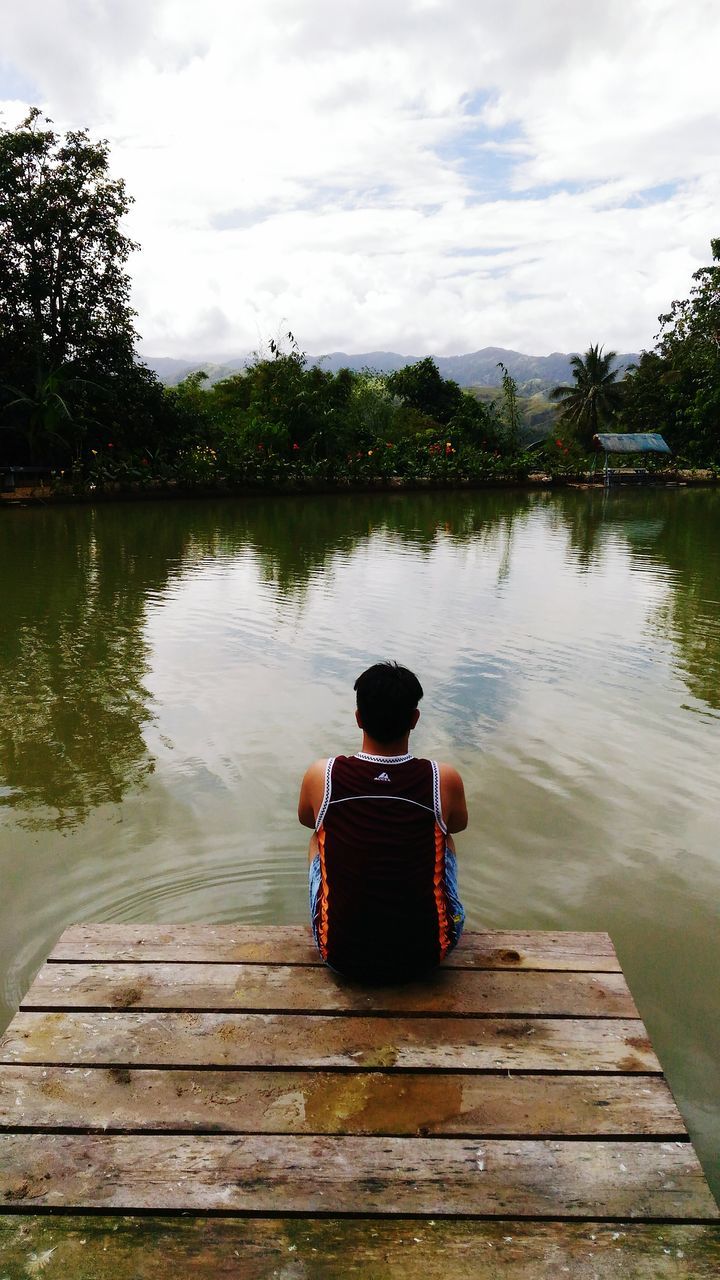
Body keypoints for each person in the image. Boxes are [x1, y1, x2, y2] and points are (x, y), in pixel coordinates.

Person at [298, 661, 467, 982]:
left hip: (339, 956)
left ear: (358, 718)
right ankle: (442, 918)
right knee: (444, 835)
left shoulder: (323, 775)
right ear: (415, 720)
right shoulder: (442, 778)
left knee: (317, 835)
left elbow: (307, 819)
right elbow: (458, 823)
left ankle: (341, 924)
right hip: (428, 956)